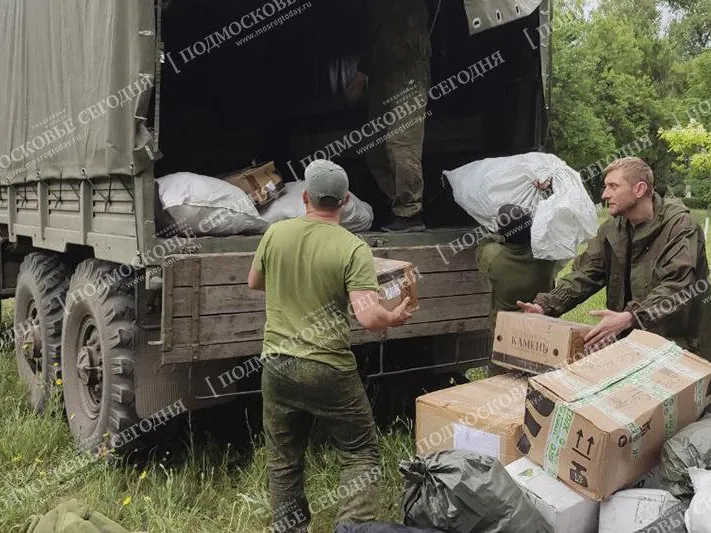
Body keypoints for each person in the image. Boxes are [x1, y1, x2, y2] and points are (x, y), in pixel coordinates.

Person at [247, 159, 413, 532]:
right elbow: (369, 318)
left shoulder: (276, 233)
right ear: (345, 201)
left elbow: (254, 281)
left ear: (304, 197)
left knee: (283, 458)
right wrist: (395, 317)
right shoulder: (353, 248)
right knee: (359, 451)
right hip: (329, 367)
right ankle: (354, 527)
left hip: (277, 363)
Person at [517, 157, 710, 355]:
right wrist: (546, 305)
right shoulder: (613, 229)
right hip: (632, 342)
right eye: (605, 186)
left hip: (681, 345)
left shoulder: (680, 227)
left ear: (639, 189)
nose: (605, 194)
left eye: (613, 186)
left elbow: (678, 286)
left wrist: (631, 316)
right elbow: (586, 274)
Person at [346, 0, 432, 232]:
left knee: (401, 144)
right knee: (374, 149)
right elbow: (370, 33)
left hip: (410, 70)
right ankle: (399, 204)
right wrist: (363, 73)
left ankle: (410, 211)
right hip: (381, 72)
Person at [476, 204, 558, 376]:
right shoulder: (546, 256)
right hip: (542, 333)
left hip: (505, 337)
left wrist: (498, 236)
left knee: (500, 385)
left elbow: (482, 243)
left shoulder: (493, 258)